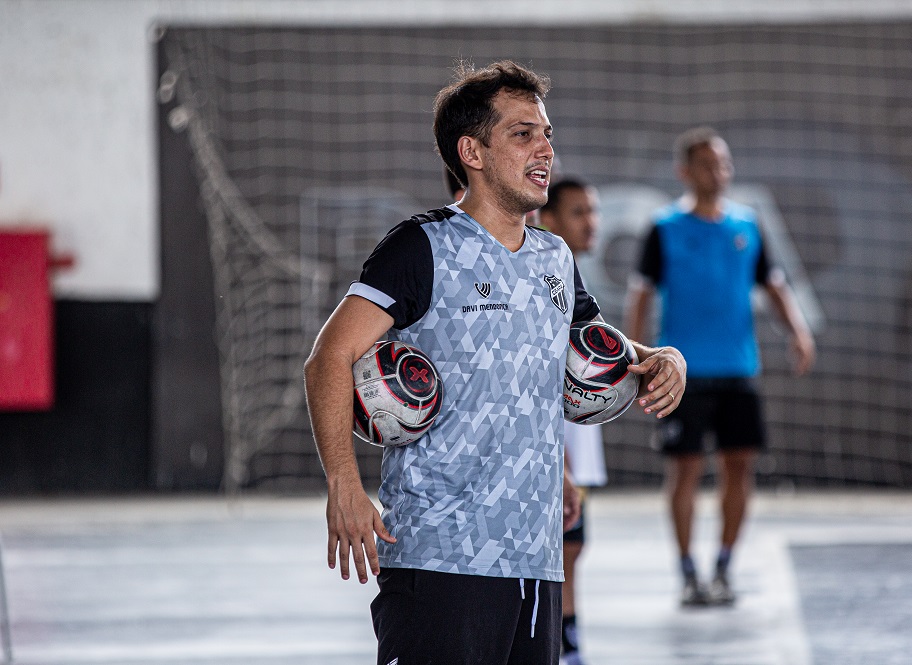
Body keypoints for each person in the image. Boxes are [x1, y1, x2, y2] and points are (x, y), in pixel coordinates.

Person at [304, 60, 687, 665]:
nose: (545, 150)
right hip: (439, 559)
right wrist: (344, 482)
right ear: (472, 152)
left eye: (548, 134)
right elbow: (329, 357)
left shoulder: (554, 257)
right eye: (523, 133)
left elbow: (595, 340)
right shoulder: (423, 245)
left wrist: (659, 358)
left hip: (537, 560)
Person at [624, 126, 815, 608]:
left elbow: (773, 283)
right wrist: (634, 354)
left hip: (737, 369)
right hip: (682, 373)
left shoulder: (746, 226)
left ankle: (725, 565)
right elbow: (641, 294)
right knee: (685, 471)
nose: (719, 172)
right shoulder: (664, 228)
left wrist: (798, 331)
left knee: (740, 467)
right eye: (708, 164)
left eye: (724, 163)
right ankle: (688, 571)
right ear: (684, 171)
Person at [538, 178, 606, 665]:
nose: (592, 222)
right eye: (579, 211)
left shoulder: (566, 274)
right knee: (561, 549)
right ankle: (559, 644)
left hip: (569, 455)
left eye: (594, 211)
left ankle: (569, 641)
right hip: (546, 452)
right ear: (549, 218)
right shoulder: (540, 276)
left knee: (572, 547)